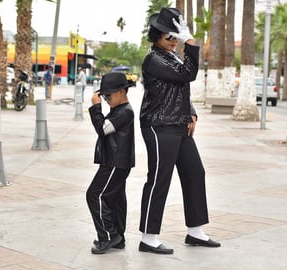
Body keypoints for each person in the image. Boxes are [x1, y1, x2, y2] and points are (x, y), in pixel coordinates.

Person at [138, 7, 221, 255]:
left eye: (176, 36)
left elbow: (179, 86)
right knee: (159, 179)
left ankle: (195, 231)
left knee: (195, 172)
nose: (174, 41)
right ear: (157, 37)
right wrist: (191, 43)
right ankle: (148, 237)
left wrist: (191, 112)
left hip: (179, 123)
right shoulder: (154, 59)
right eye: (169, 37)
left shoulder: (171, 56)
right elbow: (188, 74)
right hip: (159, 125)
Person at [86, 72, 135, 255]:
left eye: (109, 95)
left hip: (116, 163)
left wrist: (96, 108)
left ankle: (107, 236)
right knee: (115, 199)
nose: (106, 99)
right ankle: (118, 238)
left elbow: (102, 129)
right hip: (115, 162)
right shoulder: (119, 110)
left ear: (122, 91)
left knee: (95, 195)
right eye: (103, 96)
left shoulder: (125, 112)